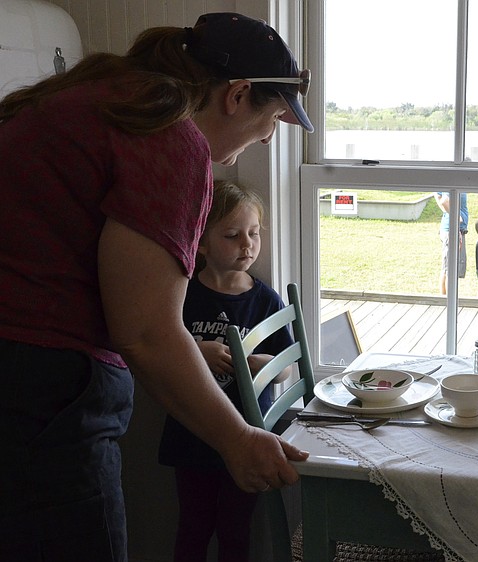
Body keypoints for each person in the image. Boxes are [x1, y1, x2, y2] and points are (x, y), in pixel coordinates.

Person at [0, 13, 311, 562]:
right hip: (39, 389)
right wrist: (239, 439)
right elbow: (145, 330)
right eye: (272, 121)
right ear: (237, 95)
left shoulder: (105, 94)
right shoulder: (168, 134)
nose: (262, 140)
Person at [158, 180, 292, 561]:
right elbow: (162, 348)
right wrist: (195, 351)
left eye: (254, 234)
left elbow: (284, 369)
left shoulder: (263, 299)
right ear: (201, 241)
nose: (247, 245)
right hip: (192, 433)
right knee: (193, 527)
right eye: (233, 236)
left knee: (236, 531)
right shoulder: (183, 293)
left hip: (248, 433)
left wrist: (257, 366)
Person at [434, 191, 469, 295]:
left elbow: (437, 195)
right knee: (449, 268)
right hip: (452, 230)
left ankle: (447, 298)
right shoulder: (453, 182)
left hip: (452, 229)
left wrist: (447, 213)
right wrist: (456, 217)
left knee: (447, 266)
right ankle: (448, 298)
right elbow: (444, 201)